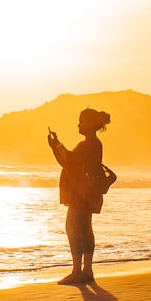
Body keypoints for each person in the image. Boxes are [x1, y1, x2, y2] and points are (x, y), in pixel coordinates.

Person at [47, 107, 111, 285]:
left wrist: (56, 145)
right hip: (88, 193)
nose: (78, 124)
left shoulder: (89, 144)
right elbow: (69, 162)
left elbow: (70, 161)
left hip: (81, 193)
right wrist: (56, 146)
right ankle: (87, 271)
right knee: (84, 229)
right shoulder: (94, 143)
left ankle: (77, 271)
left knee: (73, 228)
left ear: (90, 124)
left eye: (81, 121)